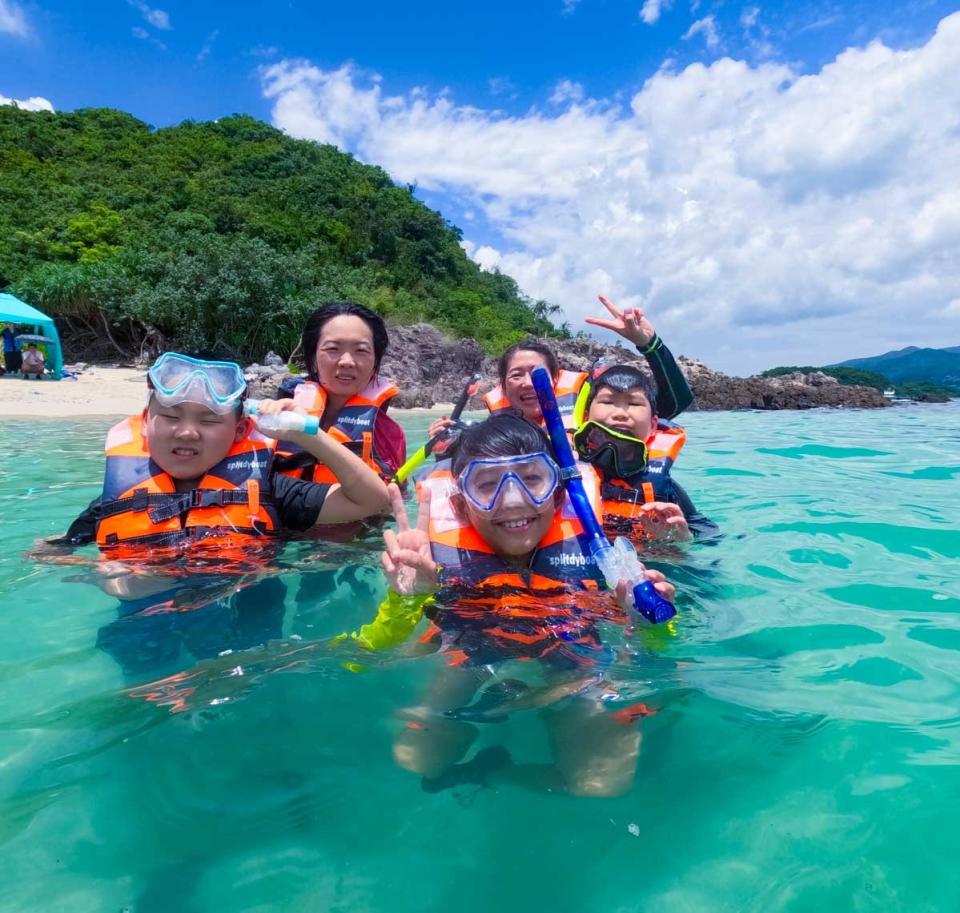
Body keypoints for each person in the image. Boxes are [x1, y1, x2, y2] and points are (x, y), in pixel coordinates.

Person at [371, 413, 675, 797]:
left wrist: (652, 621)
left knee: (601, 786)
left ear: (559, 493)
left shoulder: (601, 564)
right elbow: (373, 652)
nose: (513, 501)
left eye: (532, 479)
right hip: (473, 655)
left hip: (573, 663)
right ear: (463, 506)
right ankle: (517, 721)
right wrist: (406, 601)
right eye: (487, 485)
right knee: (417, 758)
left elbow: (660, 651)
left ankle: (496, 770)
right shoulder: (436, 569)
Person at [45, 353, 391, 678]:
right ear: (147, 423)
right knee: (145, 676)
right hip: (149, 631)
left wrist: (306, 433)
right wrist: (103, 575)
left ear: (240, 431)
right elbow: (46, 554)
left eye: (209, 420)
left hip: (243, 633)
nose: (186, 431)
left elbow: (371, 500)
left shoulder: (268, 491)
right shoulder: (116, 501)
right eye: (170, 416)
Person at [427, 294, 692, 439]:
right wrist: (445, 445)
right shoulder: (490, 435)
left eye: (537, 373)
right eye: (516, 375)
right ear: (504, 387)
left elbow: (676, 404)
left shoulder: (592, 420)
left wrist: (649, 344)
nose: (529, 382)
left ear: (556, 379)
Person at [575, 361, 718, 542]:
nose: (620, 413)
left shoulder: (665, 489)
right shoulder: (564, 467)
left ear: (653, 425)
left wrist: (683, 541)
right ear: (586, 417)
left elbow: (709, 534)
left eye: (634, 403)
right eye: (608, 401)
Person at [273, 301, 406, 486]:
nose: (347, 361)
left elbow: (396, 500)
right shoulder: (273, 419)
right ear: (312, 358)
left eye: (361, 351)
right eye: (333, 349)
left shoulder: (389, 434)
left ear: (375, 360)